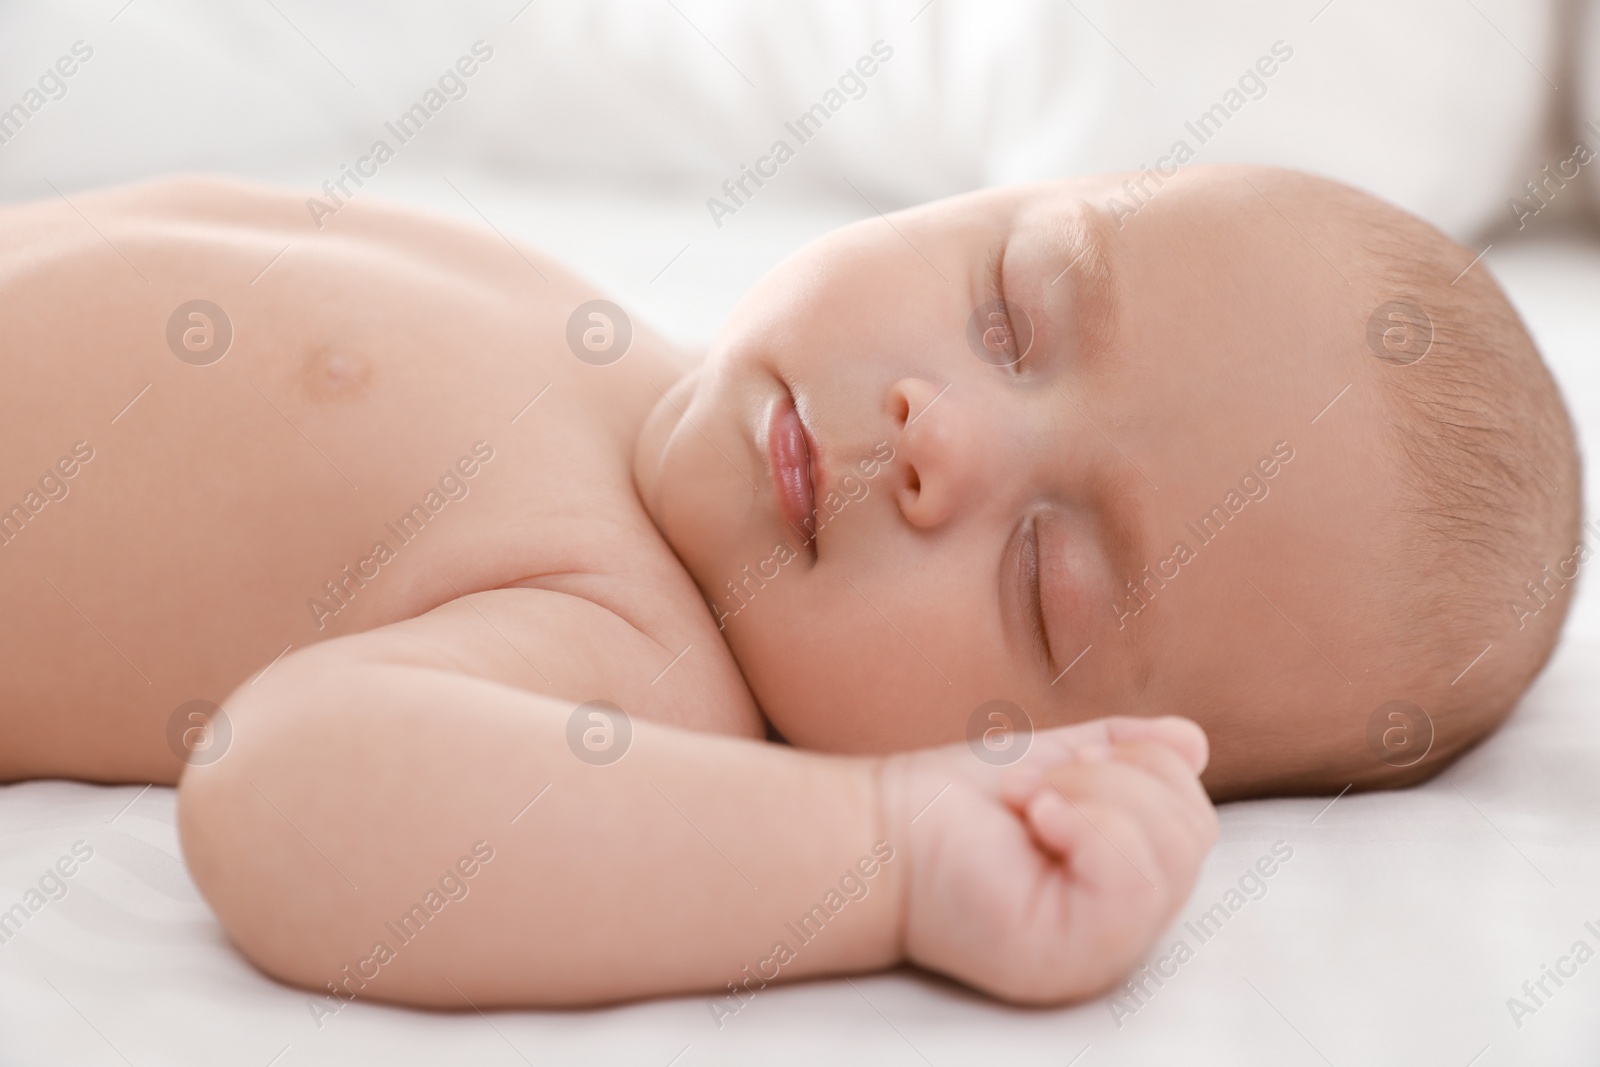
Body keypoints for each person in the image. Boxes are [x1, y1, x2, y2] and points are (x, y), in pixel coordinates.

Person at [0, 165, 1577, 1008]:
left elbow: (280, 793)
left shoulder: (638, 660)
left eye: (1046, 578)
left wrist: (884, 856)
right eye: (1011, 312)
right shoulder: (616, 356)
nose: (936, 437)